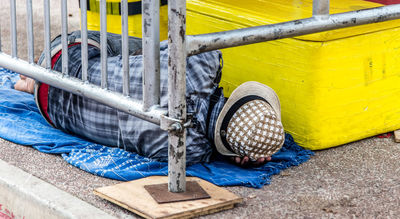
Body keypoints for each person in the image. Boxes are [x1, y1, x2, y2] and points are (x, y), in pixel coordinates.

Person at [15, 31, 285, 166]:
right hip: (50, 110)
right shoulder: (189, 153)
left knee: (151, 48)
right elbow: (207, 143)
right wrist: (239, 146)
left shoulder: (203, 61)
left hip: (63, 58)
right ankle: (31, 84)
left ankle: (33, 73)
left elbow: (172, 44)